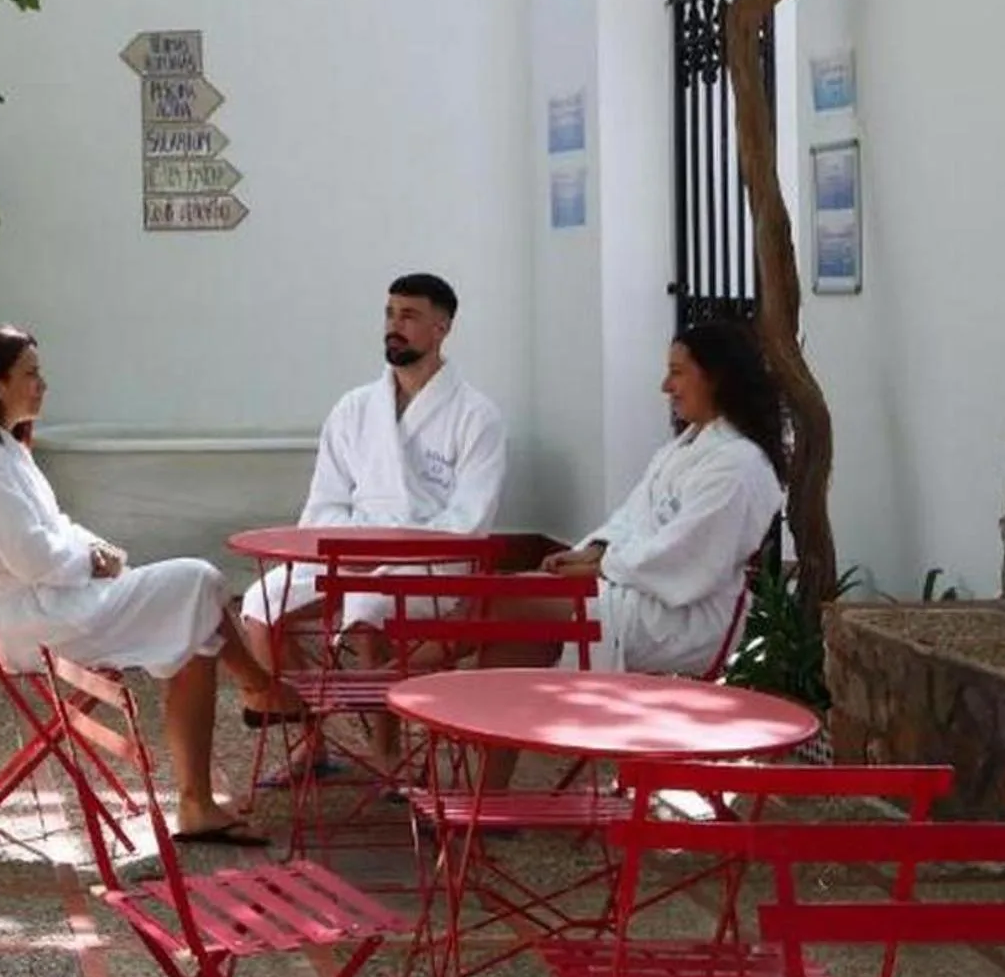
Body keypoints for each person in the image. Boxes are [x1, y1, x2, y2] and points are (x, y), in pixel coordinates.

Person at [0, 325, 301, 847]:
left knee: (195, 626)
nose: (43, 385)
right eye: (31, 375)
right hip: (36, 620)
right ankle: (259, 686)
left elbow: (56, 525)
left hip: (59, 600)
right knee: (199, 580)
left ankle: (198, 800)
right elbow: (33, 557)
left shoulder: (4, 448)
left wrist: (98, 552)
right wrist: (91, 559)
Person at [239, 273, 508, 670]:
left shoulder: (477, 416)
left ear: (442, 328)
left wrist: (389, 552)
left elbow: (469, 519)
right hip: (347, 551)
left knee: (369, 606)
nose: (394, 326)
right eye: (390, 314)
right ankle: (304, 714)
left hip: (430, 563)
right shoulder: (354, 409)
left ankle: (382, 730)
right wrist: (354, 548)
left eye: (409, 316)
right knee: (261, 603)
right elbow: (324, 504)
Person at [518, 318, 788, 676]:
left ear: (716, 377)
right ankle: (497, 704)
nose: (666, 386)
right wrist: (594, 550)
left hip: (684, 614)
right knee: (512, 598)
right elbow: (632, 517)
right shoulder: (682, 448)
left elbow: (687, 556)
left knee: (515, 598)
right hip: (636, 586)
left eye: (677, 372)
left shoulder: (740, 464)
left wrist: (600, 567)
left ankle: (472, 699)